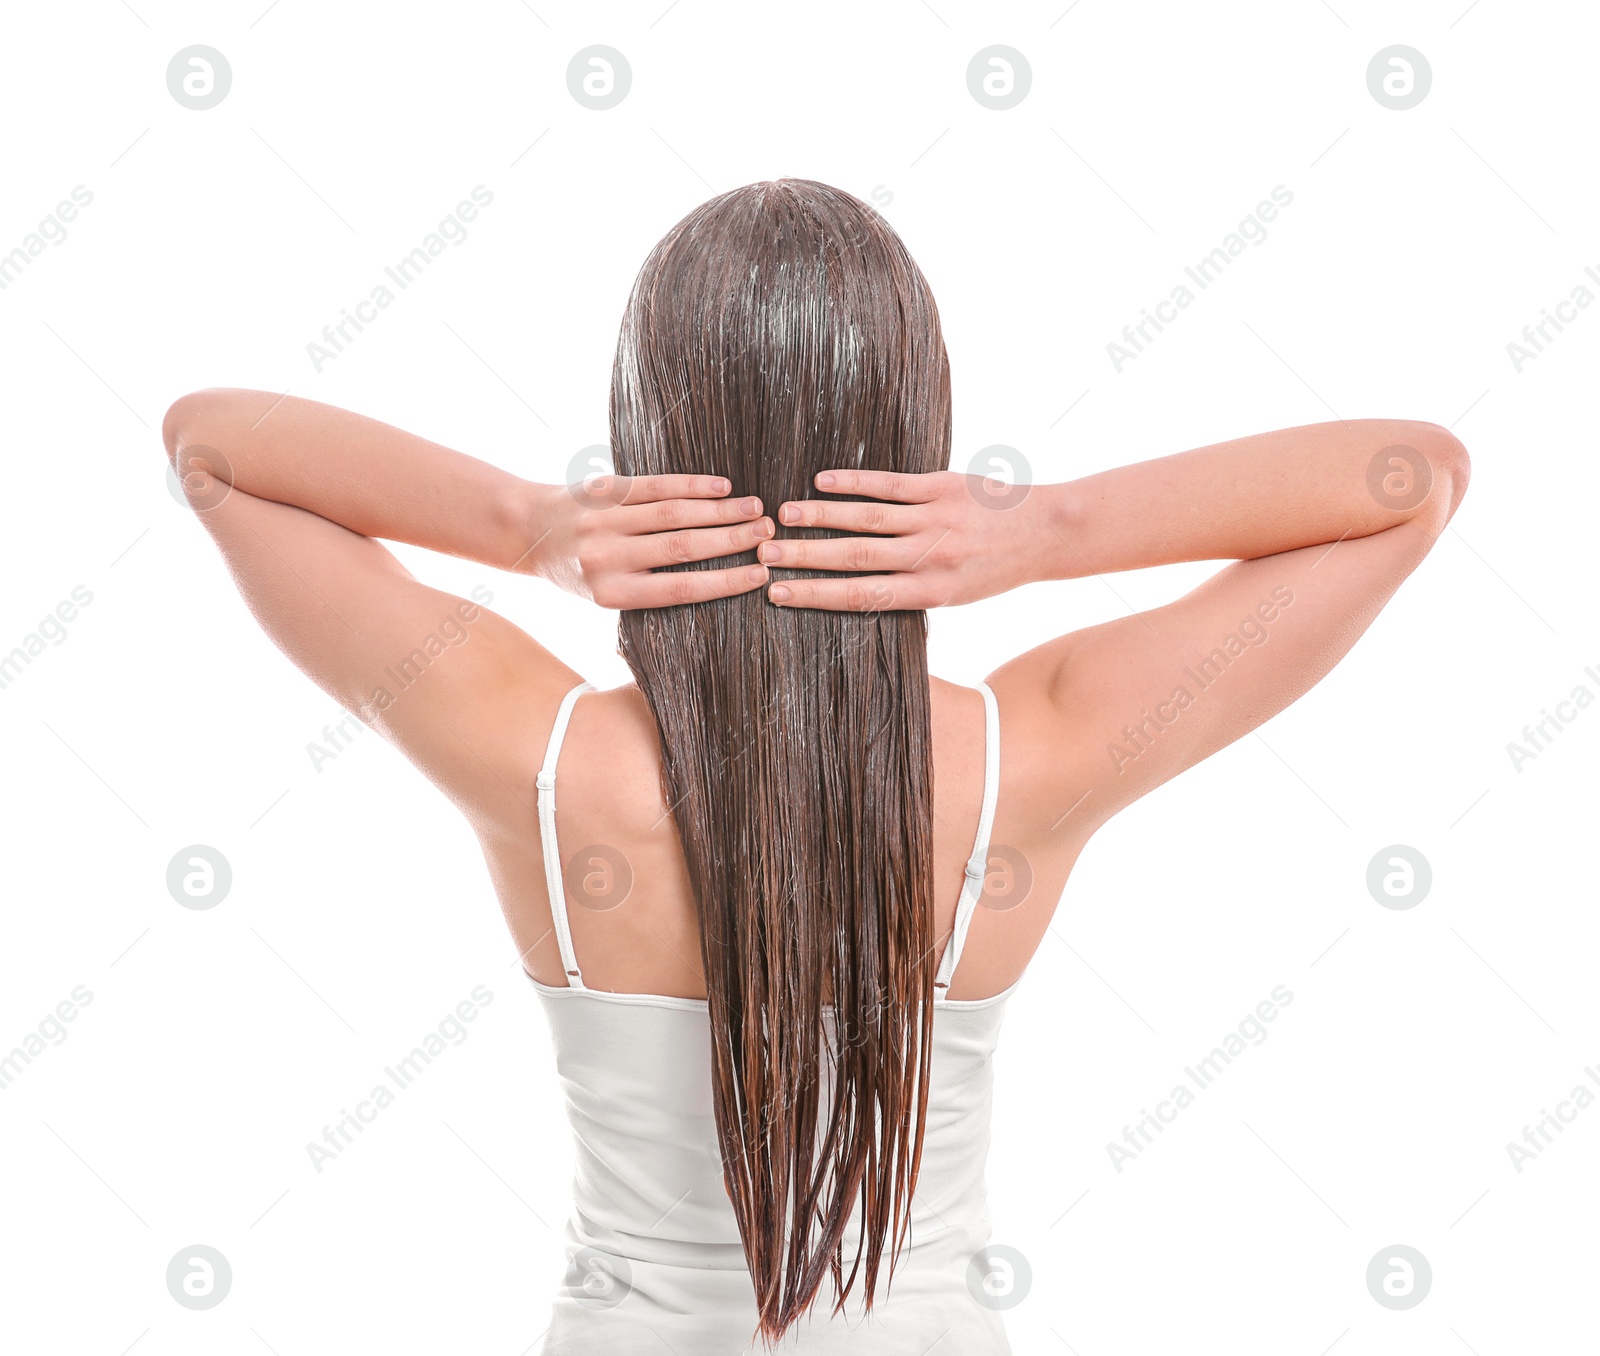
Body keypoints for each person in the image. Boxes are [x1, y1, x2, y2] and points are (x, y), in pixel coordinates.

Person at [161, 178, 1470, 1354]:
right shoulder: (1031, 753)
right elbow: (1414, 482)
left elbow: (211, 442)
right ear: (916, 427)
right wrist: (1048, 530)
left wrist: (534, 527)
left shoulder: (546, 757)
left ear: (646, 429)